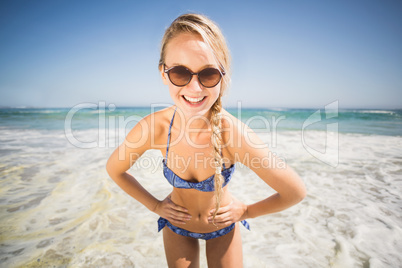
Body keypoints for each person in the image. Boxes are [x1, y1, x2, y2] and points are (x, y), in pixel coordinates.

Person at [106, 13, 306, 268]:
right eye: (180, 73)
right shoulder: (155, 128)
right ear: (163, 73)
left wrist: (246, 211)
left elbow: (295, 191)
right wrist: (155, 206)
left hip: (223, 229)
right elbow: (115, 170)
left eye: (208, 74)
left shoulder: (232, 134)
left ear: (223, 76)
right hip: (177, 227)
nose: (195, 88)